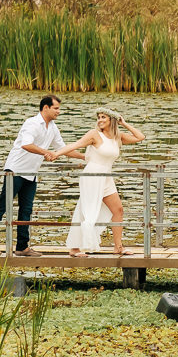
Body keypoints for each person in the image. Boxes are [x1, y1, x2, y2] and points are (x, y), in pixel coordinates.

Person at [51, 107, 146, 256]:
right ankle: (75, 248)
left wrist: (124, 123)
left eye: (104, 117)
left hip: (106, 176)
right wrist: (56, 154)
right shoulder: (94, 135)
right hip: (93, 175)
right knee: (87, 210)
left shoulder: (118, 137)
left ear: (112, 120)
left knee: (118, 210)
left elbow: (140, 137)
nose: (100, 120)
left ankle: (118, 247)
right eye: (99, 117)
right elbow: (74, 145)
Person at [0, 95, 68, 257]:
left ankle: (22, 247)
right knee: (3, 205)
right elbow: (26, 144)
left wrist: (86, 157)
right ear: (45, 108)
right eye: (56, 108)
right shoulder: (32, 123)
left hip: (31, 173)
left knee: (26, 210)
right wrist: (46, 152)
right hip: (15, 170)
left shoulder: (53, 127)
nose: (59, 111)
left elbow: (62, 148)